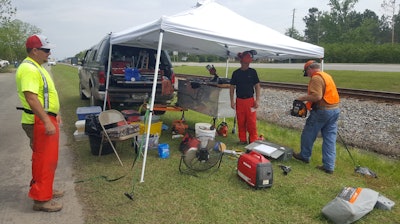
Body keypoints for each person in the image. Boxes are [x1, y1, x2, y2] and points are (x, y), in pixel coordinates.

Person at [15, 34, 64, 212]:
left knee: (48, 159)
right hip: (38, 121)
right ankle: (41, 200)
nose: (49, 53)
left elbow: (44, 94)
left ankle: (46, 189)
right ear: (34, 50)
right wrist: (46, 120)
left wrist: (54, 113)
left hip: (45, 118)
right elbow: (31, 97)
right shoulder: (29, 68)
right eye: (46, 50)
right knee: (43, 160)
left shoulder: (37, 66)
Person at [293, 60, 340, 174]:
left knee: (308, 133)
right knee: (330, 138)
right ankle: (329, 166)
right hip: (334, 110)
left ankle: (304, 155)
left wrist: (301, 98)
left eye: (307, 73)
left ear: (309, 69)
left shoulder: (316, 78)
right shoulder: (326, 76)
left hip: (322, 111)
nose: (308, 75)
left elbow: (317, 96)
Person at [230, 51, 261, 144]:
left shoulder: (252, 72)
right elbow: (231, 88)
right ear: (241, 61)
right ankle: (242, 139)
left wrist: (257, 100)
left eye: (247, 62)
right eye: (245, 62)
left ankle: (253, 140)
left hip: (250, 101)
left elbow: (257, 86)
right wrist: (232, 101)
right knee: (241, 121)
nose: (246, 64)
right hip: (239, 101)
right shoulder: (236, 73)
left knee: (251, 122)